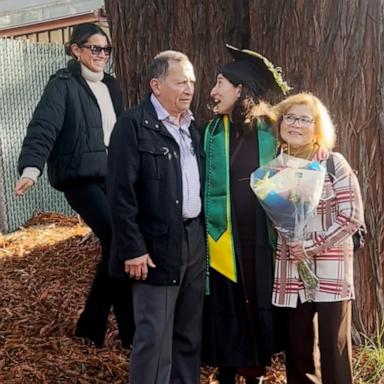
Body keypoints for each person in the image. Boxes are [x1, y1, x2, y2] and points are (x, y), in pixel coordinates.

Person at [15, 23, 133, 348]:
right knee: (119, 238)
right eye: (94, 48)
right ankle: (121, 331)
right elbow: (43, 127)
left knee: (118, 246)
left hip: (113, 176)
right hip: (79, 178)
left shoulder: (111, 86)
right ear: (75, 50)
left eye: (105, 49)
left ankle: (99, 332)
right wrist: (30, 168)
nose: (101, 55)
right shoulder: (63, 85)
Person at [108, 50, 205, 384]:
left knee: (189, 336)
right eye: (180, 81)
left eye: (191, 81)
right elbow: (120, 194)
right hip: (153, 247)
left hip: (194, 241)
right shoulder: (132, 125)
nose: (189, 88)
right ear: (156, 85)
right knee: (155, 338)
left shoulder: (194, 129)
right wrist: (132, 248)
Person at [202, 44, 290, 384]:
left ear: (241, 90)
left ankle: (253, 372)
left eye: (220, 82)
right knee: (229, 303)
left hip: (260, 237)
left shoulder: (273, 130)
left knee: (256, 303)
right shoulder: (210, 134)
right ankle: (226, 370)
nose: (213, 90)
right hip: (224, 236)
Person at [272, 92, 365, 384]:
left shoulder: (334, 164)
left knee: (334, 356)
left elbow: (352, 217)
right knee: (299, 358)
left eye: (304, 119)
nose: (295, 124)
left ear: (317, 127)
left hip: (330, 273)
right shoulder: (275, 169)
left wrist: (309, 246)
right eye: (289, 117)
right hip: (291, 273)